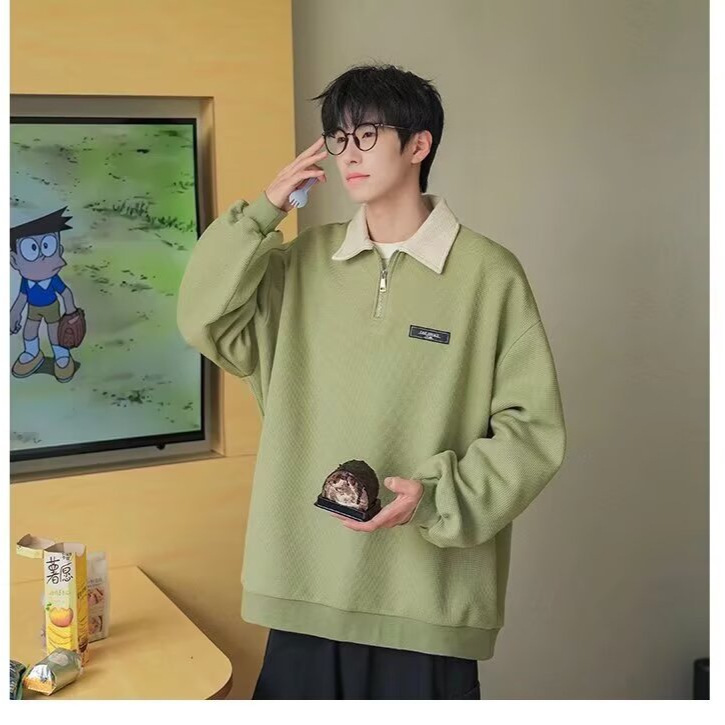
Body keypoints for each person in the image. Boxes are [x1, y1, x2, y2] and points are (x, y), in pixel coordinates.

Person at [177, 63, 567, 699]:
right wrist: (262, 213)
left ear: (419, 145)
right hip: (305, 593)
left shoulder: (490, 276)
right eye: (339, 137)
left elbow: (533, 433)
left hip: (428, 606)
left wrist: (437, 496)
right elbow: (202, 317)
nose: (348, 154)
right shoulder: (301, 264)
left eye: (367, 135)